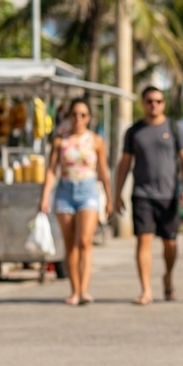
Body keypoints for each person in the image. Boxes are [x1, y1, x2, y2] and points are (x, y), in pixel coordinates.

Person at [114, 86, 183, 305]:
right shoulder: (134, 131)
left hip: (169, 195)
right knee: (143, 240)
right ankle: (146, 290)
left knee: (170, 243)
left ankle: (168, 277)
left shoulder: (174, 129)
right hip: (142, 194)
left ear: (163, 104)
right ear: (143, 103)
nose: (154, 105)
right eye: (149, 101)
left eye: (158, 101)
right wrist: (117, 193)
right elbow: (125, 163)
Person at [39, 98, 112, 306]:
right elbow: (51, 171)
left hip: (88, 190)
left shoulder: (96, 141)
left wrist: (110, 198)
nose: (78, 118)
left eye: (83, 115)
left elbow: (103, 171)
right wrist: (45, 196)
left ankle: (84, 290)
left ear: (89, 118)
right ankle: (75, 290)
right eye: (74, 114)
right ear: (69, 116)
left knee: (85, 241)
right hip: (65, 190)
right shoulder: (60, 141)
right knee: (70, 244)